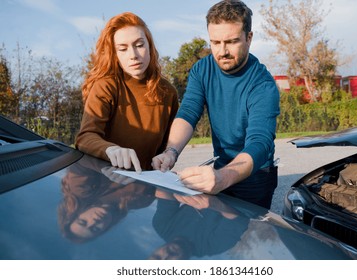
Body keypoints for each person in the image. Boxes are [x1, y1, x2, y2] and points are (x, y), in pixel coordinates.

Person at [152, 0, 280, 209]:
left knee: (246, 237)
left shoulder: (263, 85)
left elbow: (260, 143)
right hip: (220, 167)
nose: (222, 52)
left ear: (249, 38)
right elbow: (188, 112)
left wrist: (223, 177)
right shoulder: (202, 70)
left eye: (231, 41)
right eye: (215, 42)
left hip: (255, 176)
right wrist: (171, 152)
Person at [76, 12, 179, 172]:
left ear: (150, 46)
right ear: (115, 54)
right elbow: (85, 138)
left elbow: (166, 147)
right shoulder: (106, 86)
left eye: (139, 45)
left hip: (146, 187)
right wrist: (110, 149)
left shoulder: (168, 92)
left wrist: (166, 157)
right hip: (106, 185)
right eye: (123, 49)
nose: (133, 55)